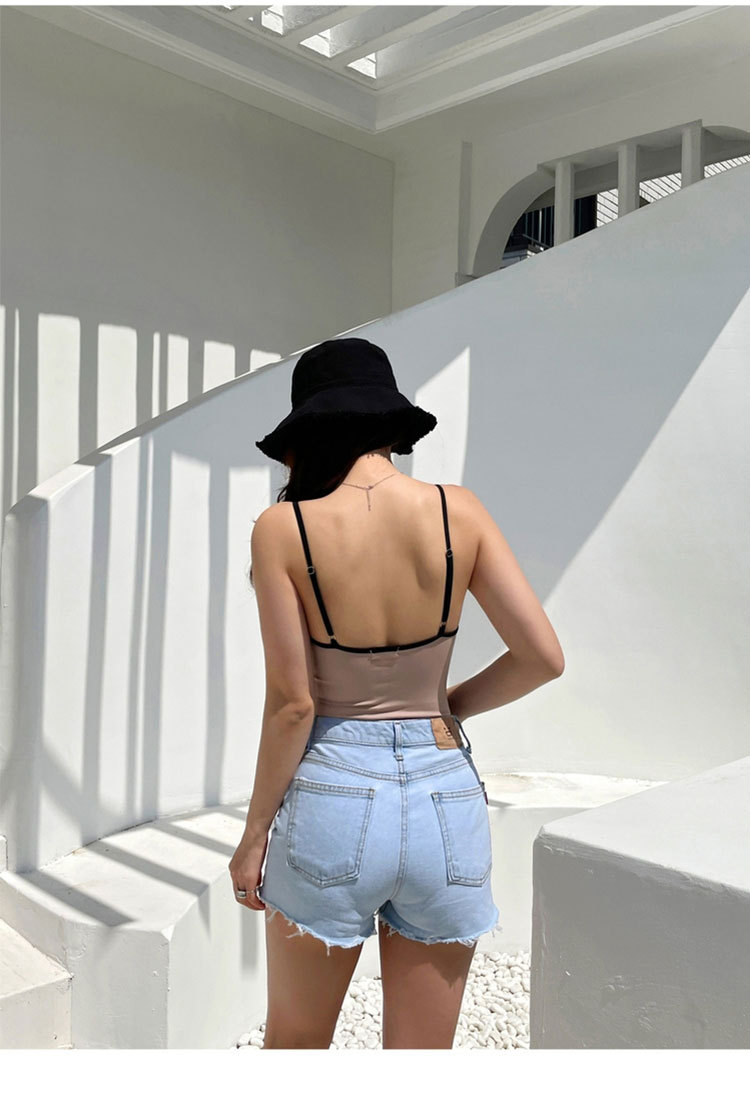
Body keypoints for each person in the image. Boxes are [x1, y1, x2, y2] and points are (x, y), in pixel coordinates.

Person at [229, 337, 564, 1049]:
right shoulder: (458, 511)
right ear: (389, 421)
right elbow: (542, 657)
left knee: (295, 1045)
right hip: (446, 797)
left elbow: (294, 704)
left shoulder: (282, 529)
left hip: (332, 793)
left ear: (307, 429)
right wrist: (452, 707)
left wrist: (253, 837)